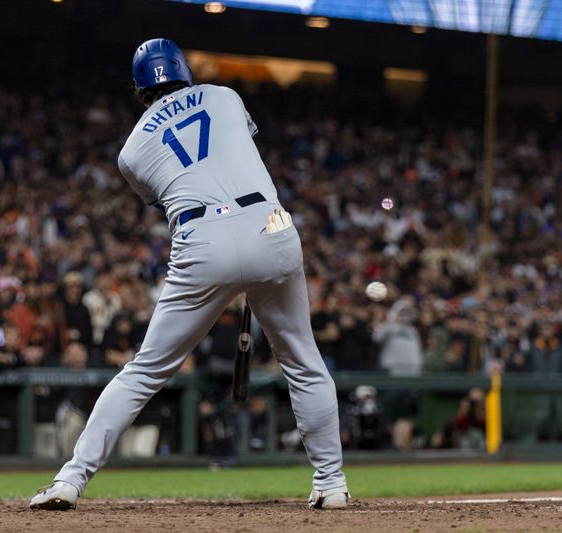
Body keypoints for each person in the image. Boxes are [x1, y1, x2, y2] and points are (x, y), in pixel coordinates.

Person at [30, 38, 348, 511]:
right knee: (303, 361)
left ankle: (70, 480)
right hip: (271, 225)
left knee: (144, 370)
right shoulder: (224, 95)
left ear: (138, 89)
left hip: (203, 237)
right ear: (184, 69)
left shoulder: (131, 151)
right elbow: (234, 153)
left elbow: (172, 188)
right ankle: (331, 483)